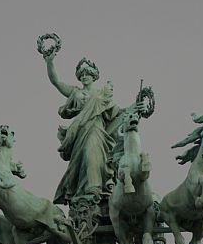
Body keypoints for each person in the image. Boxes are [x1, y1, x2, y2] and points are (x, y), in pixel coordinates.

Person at [44, 50, 143, 204]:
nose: (84, 76)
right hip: (79, 131)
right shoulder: (75, 92)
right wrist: (49, 62)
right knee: (80, 163)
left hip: (97, 129)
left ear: (94, 76)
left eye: (87, 74)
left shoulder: (102, 94)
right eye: (82, 74)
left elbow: (117, 113)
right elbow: (56, 81)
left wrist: (134, 106)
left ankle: (94, 187)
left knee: (92, 155)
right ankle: (84, 190)